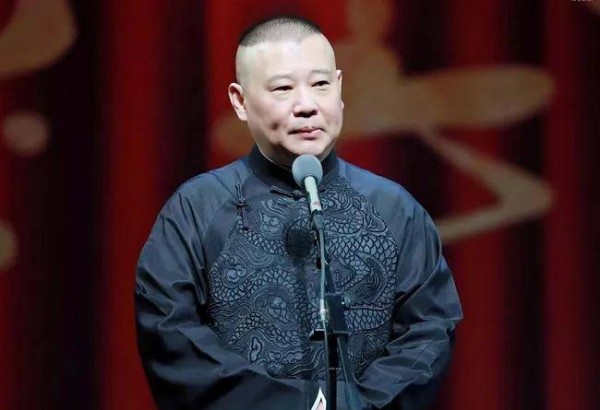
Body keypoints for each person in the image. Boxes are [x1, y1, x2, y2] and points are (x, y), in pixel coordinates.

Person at [135, 15, 462, 410]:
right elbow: (170, 333)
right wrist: (305, 403)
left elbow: (429, 330)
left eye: (320, 84)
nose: (306, 106)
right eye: (283, 88)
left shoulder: (395, 210)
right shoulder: (196, 209)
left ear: (340, 88)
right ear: (240, 101)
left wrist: (359, 405)